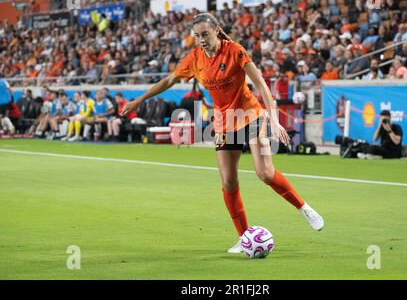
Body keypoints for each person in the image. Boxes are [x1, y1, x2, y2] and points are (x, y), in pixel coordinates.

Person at [122, 13, 324, 254]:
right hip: (224, 122)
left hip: (250, 115)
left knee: (265, 173)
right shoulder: (195, 58)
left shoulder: (235, 51)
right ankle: (244, 237)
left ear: (217, 31)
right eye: (197, 36)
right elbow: (169, 80)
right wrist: (139, 100)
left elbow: (260, 84)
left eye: (205, 34)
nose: (201, 40)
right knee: (228, 182)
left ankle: (304, 207)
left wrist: (273, 117)